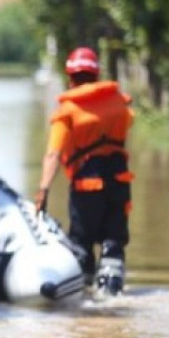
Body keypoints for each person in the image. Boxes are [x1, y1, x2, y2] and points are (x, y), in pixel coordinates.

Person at [34, 47, 134, 295]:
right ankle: (112, 293)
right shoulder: (119, 103)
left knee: (81, 244)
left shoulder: (67, 112)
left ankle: (82, 296)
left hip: (87, 187)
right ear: (97, 75)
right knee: (113, 241)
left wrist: (43, 191)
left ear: (70, 77)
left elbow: (53, 154)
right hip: (119, 181)